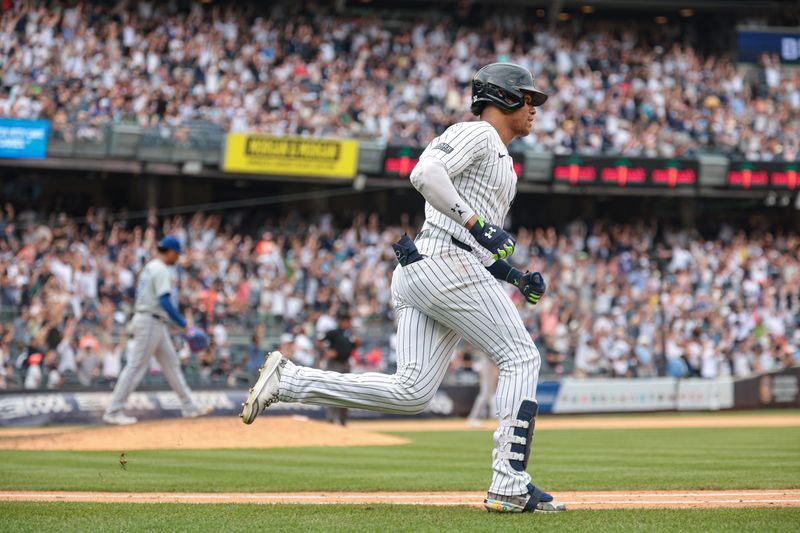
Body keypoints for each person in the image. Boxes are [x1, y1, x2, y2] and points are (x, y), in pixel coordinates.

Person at [239, 63, 563, 513]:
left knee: (412, 391)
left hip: (431, 264)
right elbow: (424, 174)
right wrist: (479, 225)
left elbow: (476, 240)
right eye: (528, 98)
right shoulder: (480, 134)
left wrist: (513, 275)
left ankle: (291, 381)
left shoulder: (501, 155)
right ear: (504, 98)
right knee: (521, 356)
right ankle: (509, 484)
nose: (534, 108)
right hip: (445, 262)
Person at [102, 236, 213, 425]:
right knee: (135, 366)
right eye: (176, 253)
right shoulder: (161, 269)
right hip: (149, 321)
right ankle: (113, 411)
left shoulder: (151, 266)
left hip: (154, 322)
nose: (177, 257)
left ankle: (189, 406)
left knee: (171, 364)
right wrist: (183, 324)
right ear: (169, 251)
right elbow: (164, 300)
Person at [319, 308, 360, 426]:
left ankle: (343, 420)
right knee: (333, 391)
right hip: (334, 364)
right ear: (340, 321)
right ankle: (331, 419)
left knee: (346, 393)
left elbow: (352, 347)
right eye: (345, 320)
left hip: (345, 364)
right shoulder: (333, 332)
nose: (347, 323)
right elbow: (319, 341)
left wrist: (357, 344)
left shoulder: (349, 333)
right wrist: (328, 351)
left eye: (348, 320)